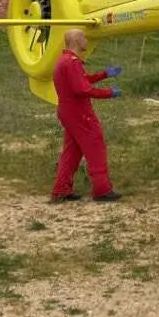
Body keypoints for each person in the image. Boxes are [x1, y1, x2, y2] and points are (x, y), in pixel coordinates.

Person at [50, 28, 123, 203]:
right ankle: (102, 189)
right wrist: (109, 93)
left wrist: (104, 74)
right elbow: (82, 88)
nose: (86, 41)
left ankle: (61, 190)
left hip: (67, 111)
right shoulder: (73, 63)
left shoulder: (64, 61)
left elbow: (82, 80)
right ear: (76, 40)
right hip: (79, 112)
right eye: (84, 37)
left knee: (72, 152)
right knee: (95, 145)